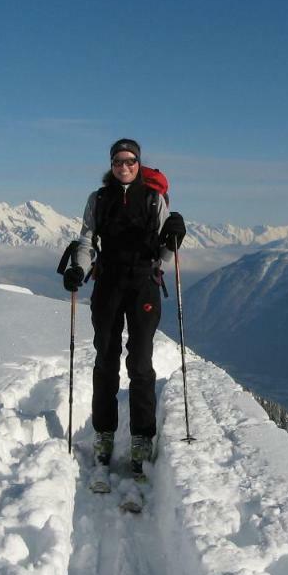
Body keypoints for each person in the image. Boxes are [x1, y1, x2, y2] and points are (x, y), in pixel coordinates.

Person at [62, 138, 185, 488]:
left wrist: (175, 238)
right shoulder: (98, 199)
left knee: (141, 363)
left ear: (139, 163)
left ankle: (142, 437)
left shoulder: (153, 199)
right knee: (106, 359)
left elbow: (164, 254)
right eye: (118, 161)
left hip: (144, 284)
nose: (124, 166)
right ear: (111, 164)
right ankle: (104, 433)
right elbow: (87, 241)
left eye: (130, 161)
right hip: (109, 286)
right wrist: (78, 269)